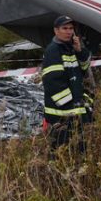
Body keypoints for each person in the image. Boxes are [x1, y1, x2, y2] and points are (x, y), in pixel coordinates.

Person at [41, 15, 93, 151]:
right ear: (56, 30)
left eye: (71, 28)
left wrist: (79, 50)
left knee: (80, 146)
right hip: (62, 111)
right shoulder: (53, 50)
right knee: (61, 149)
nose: (69, 31)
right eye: (65, 28)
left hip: (74, 109)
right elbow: (52, 82)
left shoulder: (70, 48)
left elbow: (84, 67)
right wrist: (72, 103)